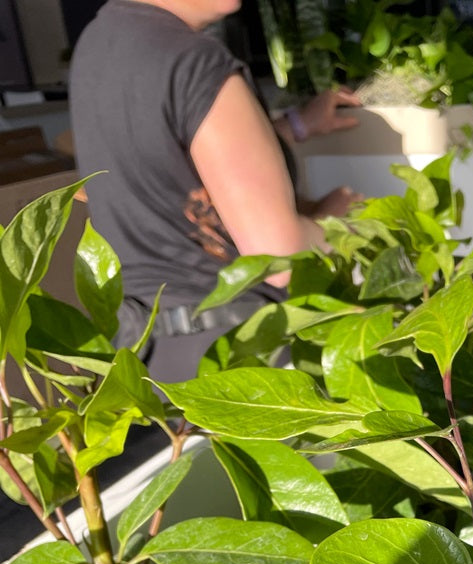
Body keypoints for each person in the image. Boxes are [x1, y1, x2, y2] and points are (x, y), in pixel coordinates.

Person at [69, 0, 362, 381]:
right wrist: (338, 219)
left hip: (150, 363)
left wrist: (296, 126)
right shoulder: (193, 61)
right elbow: (278, 257)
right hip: (240, 359)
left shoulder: (99, 41)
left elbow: (168, 156)